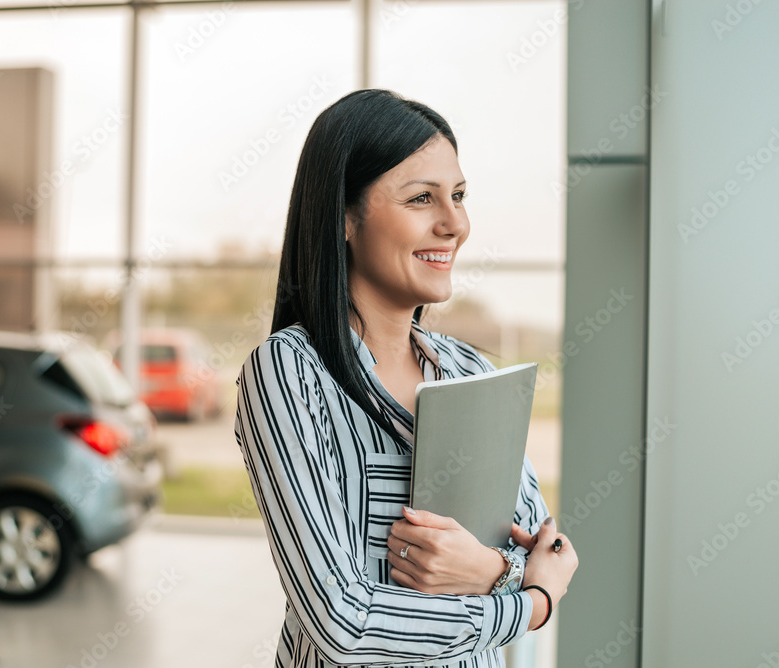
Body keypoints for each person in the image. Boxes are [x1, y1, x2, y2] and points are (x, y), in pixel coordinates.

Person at [234, 89, 578, 668]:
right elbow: (341, 621)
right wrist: (529, 607)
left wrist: (493, 568)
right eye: (422, 198)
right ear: (343, 216)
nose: (455, 225)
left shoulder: (472, 371)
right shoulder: (289, 371)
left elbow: (548, 549)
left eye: (459, 196)